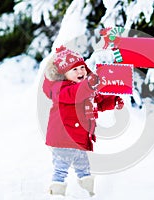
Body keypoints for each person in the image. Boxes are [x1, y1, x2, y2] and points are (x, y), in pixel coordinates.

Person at [42, 45, 124, 197]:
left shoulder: (87, 87)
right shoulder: (61, 88)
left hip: (79, 138)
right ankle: (56, 193)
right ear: (63, 74)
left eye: (82, 67)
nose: (80, 72)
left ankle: (88, 192)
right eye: (74, 69)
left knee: (84, 167)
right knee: (61, 167)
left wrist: (113, 101)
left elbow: (98, 101)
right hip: (63, 137)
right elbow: (75, 94)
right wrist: (89, 85)